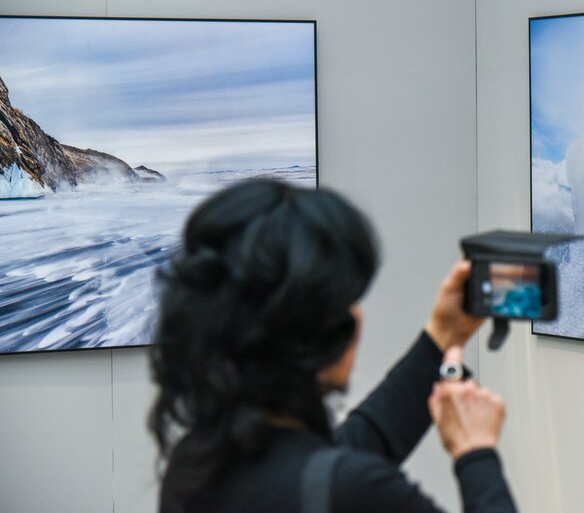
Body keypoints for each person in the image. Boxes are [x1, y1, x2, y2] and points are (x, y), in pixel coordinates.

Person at [149, 178, 517, 512]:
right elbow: (342, 478)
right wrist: (475, 451)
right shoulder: (354, 491)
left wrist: (443, 336)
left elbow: (333, 459)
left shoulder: (194, 465)